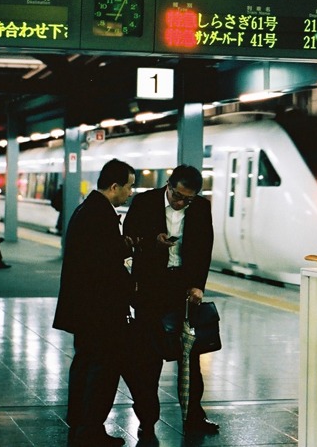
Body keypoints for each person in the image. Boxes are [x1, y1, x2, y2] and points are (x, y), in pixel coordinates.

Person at [122, 164, 218, 441]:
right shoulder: (144, 202)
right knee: (148, 359)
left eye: (187, 198)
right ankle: (147, 419)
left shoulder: (200, 208)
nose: (180, 202)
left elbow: (204, 248)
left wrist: (198, 285)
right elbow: (129, 238)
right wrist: (154, 242)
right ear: (169, 184)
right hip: (151, 289)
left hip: (183, 288)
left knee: (191, 356)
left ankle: (193, 416)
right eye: (177, 195)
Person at [53, 159, 136, 447]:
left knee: (85, 365)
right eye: (129, 186)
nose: (130, 192)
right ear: (114, 187)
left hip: (84, 309)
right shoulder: (101, 215)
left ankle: (80, 424)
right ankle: (91, 430)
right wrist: (130, 283)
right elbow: (104, 266)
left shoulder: (85, 209)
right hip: (100, 311)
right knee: (102, 370)